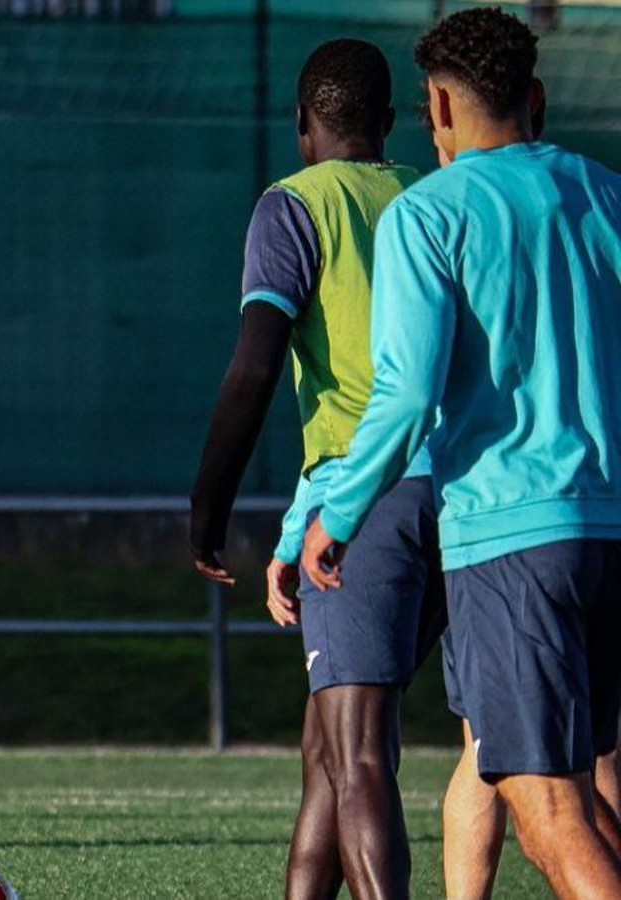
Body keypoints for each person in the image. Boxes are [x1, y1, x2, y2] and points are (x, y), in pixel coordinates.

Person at [302, 8, 621, 897]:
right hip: (606, 527)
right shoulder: (605, 192)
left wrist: (341, 512)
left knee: (545, 807)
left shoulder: (429, 212)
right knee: (576, 795)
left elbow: (405, 394)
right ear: (538, 97)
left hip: (511, 533)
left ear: (437, 108)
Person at [189, 39, 445, 898]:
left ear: (301, 126)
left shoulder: (291, 208)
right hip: (469, 496)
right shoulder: (432, 195)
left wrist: (208, 509)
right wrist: (298, 525)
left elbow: (257, 366)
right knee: (327, 749)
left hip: (375, 502)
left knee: (360, 753)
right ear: (390, 123)